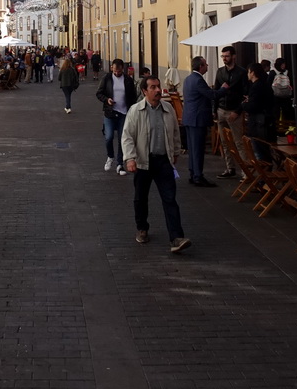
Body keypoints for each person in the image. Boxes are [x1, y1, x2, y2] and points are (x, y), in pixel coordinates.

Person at [121, 76, 191, 254]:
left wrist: (175, 152)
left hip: (163, 161)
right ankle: (142, 228)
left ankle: (176, 237)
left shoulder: (168, 109)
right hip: (143, 161)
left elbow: (175, 132)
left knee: (170, 199)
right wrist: (130, 158)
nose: (158, 90)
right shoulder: (136, 111)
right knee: (140, 198)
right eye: (153, 87)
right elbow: (127, 136)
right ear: (145, 91)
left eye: (158, 87)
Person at [181, 56, 225, 187]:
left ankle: (193, 172)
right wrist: (224, 88)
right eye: (205, 64)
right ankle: (198, 176)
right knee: (198, 148)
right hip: (197, 119)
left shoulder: (188, 79)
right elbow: (212, 95)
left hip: (189, 118)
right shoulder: (198, 80)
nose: (207, 66)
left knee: (193, 148)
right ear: (200, 66)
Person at [96, 58, 138, 176]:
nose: (117, 73)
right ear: (112, 68)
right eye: (115, 71)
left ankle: (120, 164)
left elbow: (133, 96)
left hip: (124, 113)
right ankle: (110, 156)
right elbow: (99, 93)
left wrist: (132, 110)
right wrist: (106, 100)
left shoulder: (128, 80)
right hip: (109, 113)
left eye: (119, 71)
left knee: (122, 139)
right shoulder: (107, 79)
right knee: (108, 137)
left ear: (122, 69)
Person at [215, 46, 248, 179]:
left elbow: (246, 95)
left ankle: (246, 172)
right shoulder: (220, 71)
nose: (224, 59)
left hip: (234, 111)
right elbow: (216, 91)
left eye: (227, 56)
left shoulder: (241, 72)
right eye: (223, 56)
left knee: (239, 142)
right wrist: (215, 111)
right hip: (221, 109)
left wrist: (238, 111)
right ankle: (230, 168)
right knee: (224, 142)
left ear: (233, 56)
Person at [242, 62, 275, 164]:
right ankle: (265, 174)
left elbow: (254, 106)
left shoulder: (257, 86)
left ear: (252, 73)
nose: (247, 74)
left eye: (248, 72)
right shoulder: (264, 85)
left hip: (259, 124)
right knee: (263, 151)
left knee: (260, 152)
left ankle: (265, 175)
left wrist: (244, 105)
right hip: (265, 122)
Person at [271, 57, 293, 124]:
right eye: (282, 64)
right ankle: (279, 126)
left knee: (282, 112)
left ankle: (284, 126)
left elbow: (269, 83)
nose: (283, 66)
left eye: (284, 64)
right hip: (284, 96)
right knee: (279, 112)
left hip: (278, 96)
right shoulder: (287, 72)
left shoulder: (273, 72)